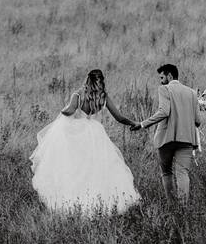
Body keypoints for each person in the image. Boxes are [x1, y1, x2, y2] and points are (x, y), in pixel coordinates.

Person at [30, 69, 140, 216]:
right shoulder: (103, 97)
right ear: (102, 81)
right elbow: (119, 117)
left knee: (76, 167)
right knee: (96, 167)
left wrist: (63, 113)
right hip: (94, 133)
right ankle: (101, 201)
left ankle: (74, 202)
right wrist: (133, 123)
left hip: (76, 132)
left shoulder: (78, 94)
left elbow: (69, 111)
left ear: (88, 80)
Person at [132, 63, 201, 203]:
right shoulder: (192, 93)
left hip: (166, 139)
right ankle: (183, 209)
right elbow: (198, 121)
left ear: (170, 75)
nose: (161, 81)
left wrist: (142, 124)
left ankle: (171, 205)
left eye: (162, 77)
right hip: (186, 139)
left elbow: (164, 112)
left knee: (166, 172)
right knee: (182, 173)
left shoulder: (164, 89)